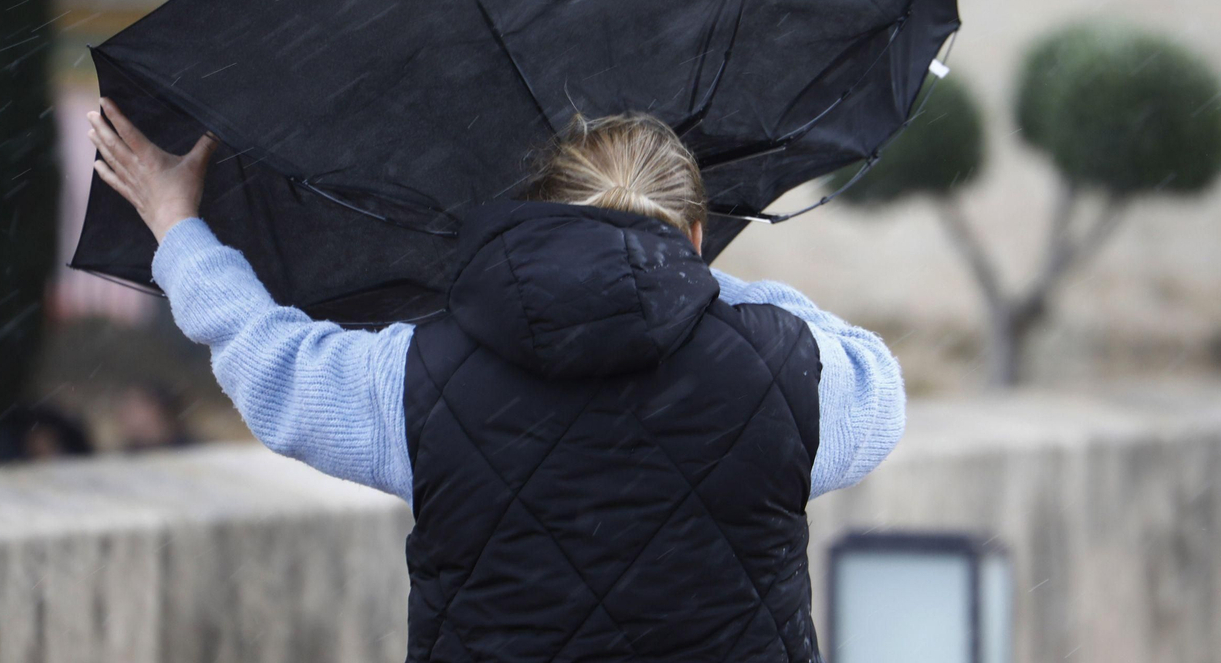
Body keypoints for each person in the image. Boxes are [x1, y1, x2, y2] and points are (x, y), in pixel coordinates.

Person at [86, 97, 905, 662]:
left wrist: (176, 224)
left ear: (537, 218)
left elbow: (271, 365)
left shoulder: (419, 373)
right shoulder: (789, 371)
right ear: (694, 234)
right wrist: (706, 285)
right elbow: (879, 387)